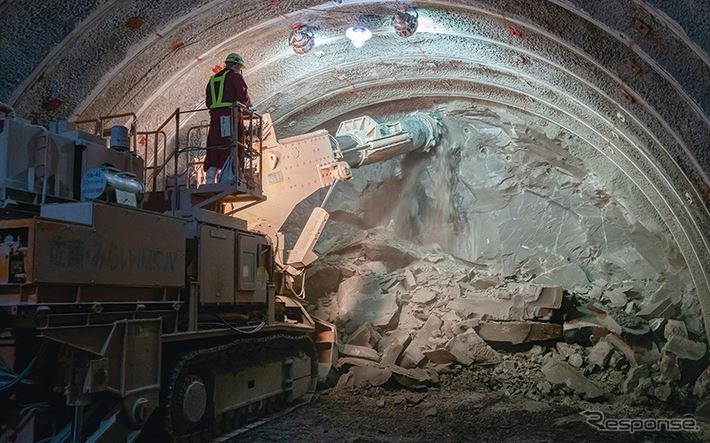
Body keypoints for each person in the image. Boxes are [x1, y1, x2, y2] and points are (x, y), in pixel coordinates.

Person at [204, 53, 252, 183]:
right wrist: (248, 106)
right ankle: (232, 177)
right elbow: (243, 97)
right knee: (232, 145)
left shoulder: (213, 80)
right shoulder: (235, 77)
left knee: (214, 146)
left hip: (215, 118)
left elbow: (208, 102)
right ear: (236, 65)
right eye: (240, 67)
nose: (240, 69)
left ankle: (209, 179)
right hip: (230, 117)